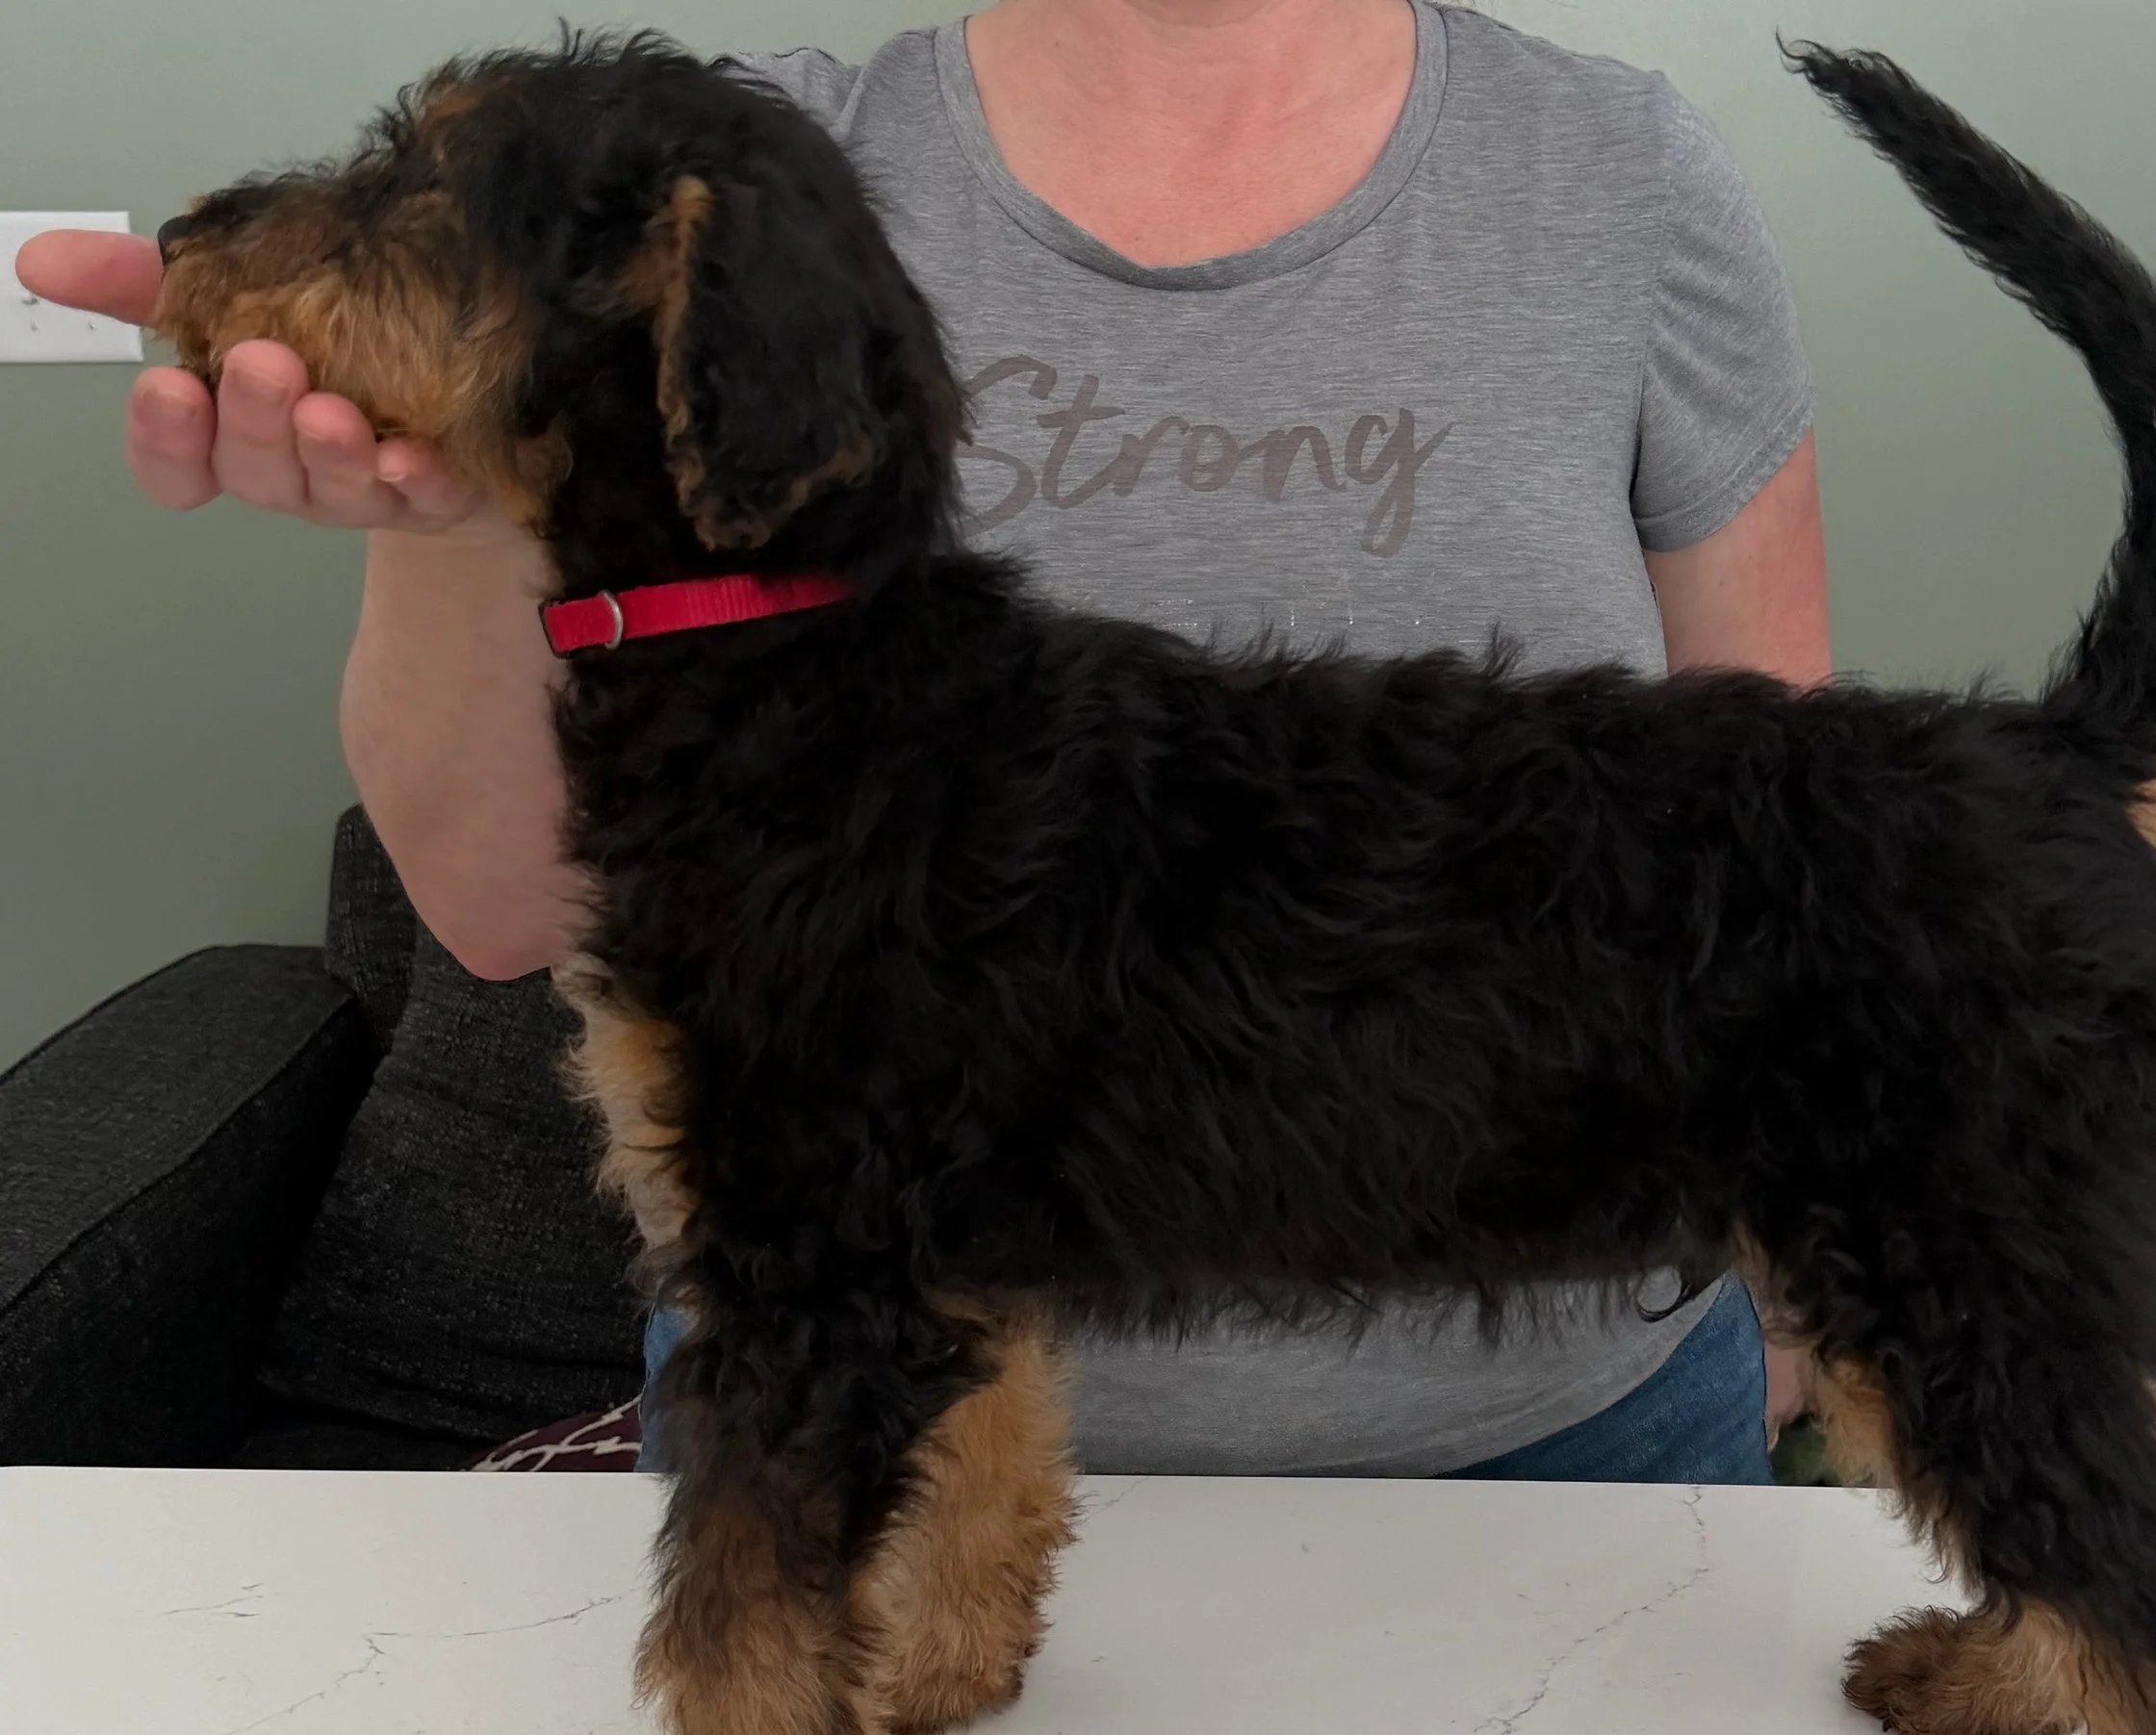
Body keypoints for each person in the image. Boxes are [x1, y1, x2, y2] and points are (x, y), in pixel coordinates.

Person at [22, 0, 1828, 1483]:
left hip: (1570, 1440)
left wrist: (1835, 1312)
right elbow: (503, 911)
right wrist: (452, 521)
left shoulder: (1624, 177)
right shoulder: (723, 180)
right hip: (857, 1443)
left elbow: (1775, 857)